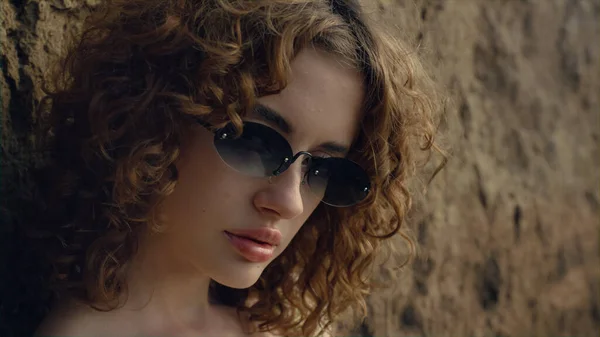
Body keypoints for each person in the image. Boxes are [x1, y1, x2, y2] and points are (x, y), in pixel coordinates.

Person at [30, 0, 446, 336]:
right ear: (155, 121)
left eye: (323, 168)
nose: (289, 202)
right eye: (255, 142)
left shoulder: (285, 329)